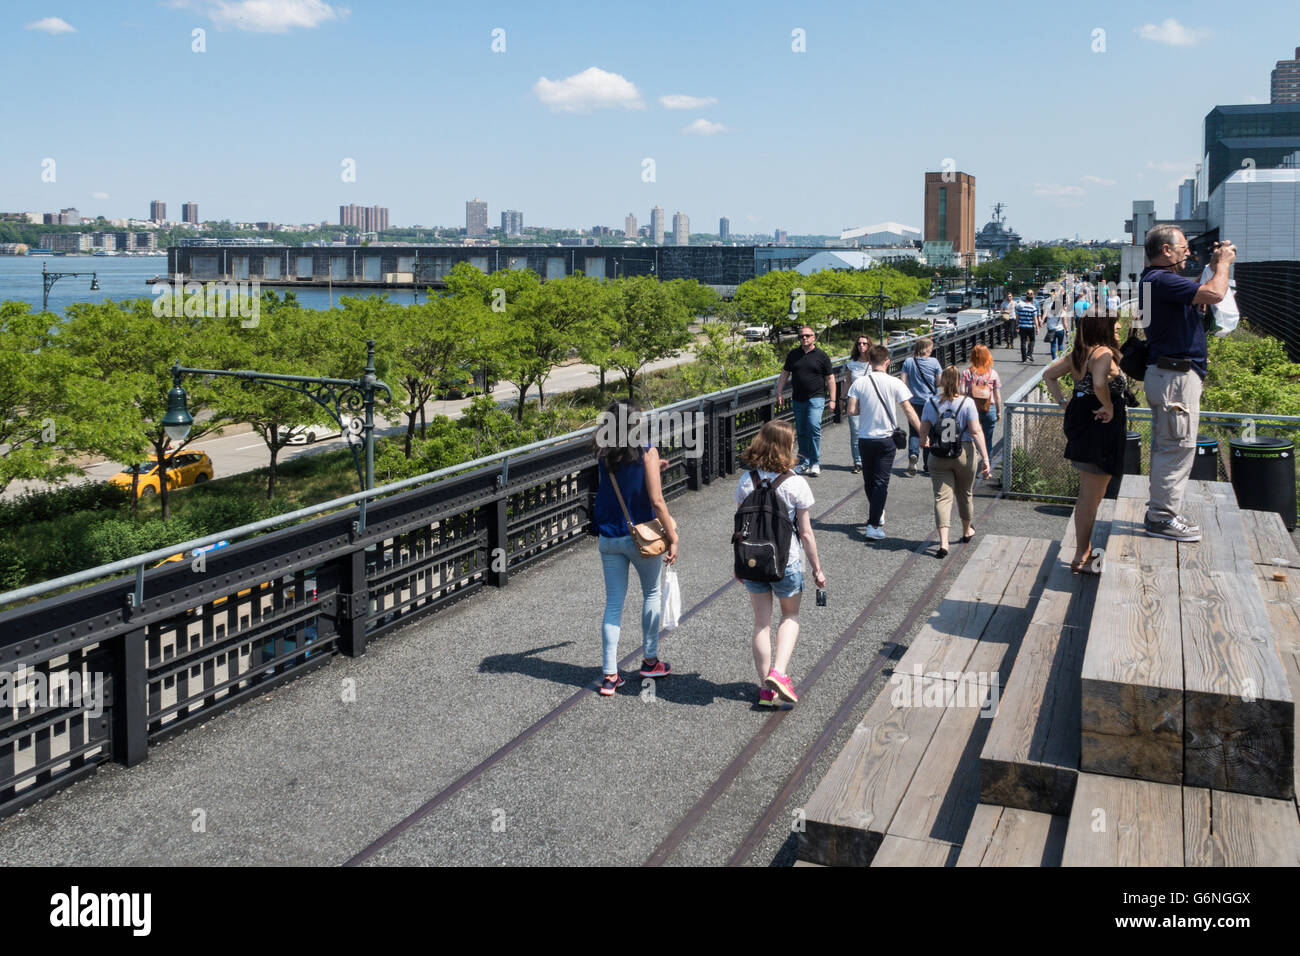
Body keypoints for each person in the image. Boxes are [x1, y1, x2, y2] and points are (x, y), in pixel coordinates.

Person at [1139, 227, 1235, 542]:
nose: (1188, 253)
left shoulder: (1153, 281)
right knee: (1176, 447)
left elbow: (1200, 293)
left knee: (1168, 445)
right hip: (1175, 378)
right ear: (1166, 250)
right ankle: (1162, 518)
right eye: (1184, 248)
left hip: (1168, 376)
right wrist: (1222, 266)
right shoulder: (1160, 280)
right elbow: (1215, 293)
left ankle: (1161, 511)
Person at [734, 420, 826, 707]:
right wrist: (817, 569)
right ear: (787, 446)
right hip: (786, 561)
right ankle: (780, 672)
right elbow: (807, 533)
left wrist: (737, 563)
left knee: (761, 622)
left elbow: (740, 524)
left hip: (751, 559)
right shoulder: (796, 483)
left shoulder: (746, 480)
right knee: (790, 617)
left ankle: (766, 690)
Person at [591, 400, 679, 696]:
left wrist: (655, 467)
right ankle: (650, 660)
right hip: (641, 536)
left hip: (609, 538)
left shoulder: (603, 453)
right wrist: (672, 535)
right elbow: (657, 501)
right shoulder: (646, 451)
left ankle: (609, 676)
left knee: (613, 603)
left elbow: (622, 482)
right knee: (651, 593)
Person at [1043, 314, 1132, 573]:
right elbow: (1099, 382)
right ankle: (1082, 556)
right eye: (1114, 324)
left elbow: (1049, 376)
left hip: (1083, 423)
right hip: (1101, 426)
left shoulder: (1079, 355)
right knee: (1090, 497)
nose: (1119, 327)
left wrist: (1064, 403)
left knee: (1090, 494)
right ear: (1101, 327)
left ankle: (1085, 552)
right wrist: (1107, 406)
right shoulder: (1103, 353)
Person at [845, 344, 921, 541]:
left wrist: (866, 410)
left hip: (865, 438)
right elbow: (909, 411)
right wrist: (923, 434)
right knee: (881, 482)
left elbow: (851, 411)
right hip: (887, 439)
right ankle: (874, 524)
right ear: (888, 362)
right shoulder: (895, 383)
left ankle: (876, 513)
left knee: (869, 481)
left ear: (869, 362)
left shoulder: (859, 383)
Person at [919, 367, 992, 558]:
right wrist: (985, 458)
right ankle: (967, 530)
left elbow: (923, 429)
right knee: (965, 494)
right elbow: (976, 431)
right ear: (959, 381)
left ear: (942, 381)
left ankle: (943, 543)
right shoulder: (967, 403)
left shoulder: (931, 402)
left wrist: (922, 444)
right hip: (964, 453)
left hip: (938, 454)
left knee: (942, 498)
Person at [776, 325, 836, 477]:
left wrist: (833, 400)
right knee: (801, 431)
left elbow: (830, 378)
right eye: (801, 336)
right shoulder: (793, 355)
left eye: (807, 335)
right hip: (798, 399)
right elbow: (784, 374)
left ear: (813, 337)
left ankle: (815, 462)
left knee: (813, 426)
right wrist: (779, 392)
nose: (804, 338)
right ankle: (803, 462)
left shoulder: (822, 356)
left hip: (816, 397)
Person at [900, 337, 941, 476]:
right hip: (930, 402)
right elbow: (939, 382)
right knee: (930, 432)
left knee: (914, 431)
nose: (931, 350)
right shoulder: (934, 362)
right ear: (926, 348)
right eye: (930, 348)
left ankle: (913, 454)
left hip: (913, 402)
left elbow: (903, 381)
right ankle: (928, 465)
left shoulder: (908, 362)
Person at [961, 345, 1003, 481]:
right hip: (988, 409)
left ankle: (969, 467)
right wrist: (998, 411)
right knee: (987, 440)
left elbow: (961, 393)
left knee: (970, 439)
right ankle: (986, 470)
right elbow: (997, 396)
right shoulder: (993, 374)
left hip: (970, 410)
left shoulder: (966, 373)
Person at [844, 335, 873, 474]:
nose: (861, 346)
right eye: (859, 343)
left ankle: (869, 460)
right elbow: (848, 381)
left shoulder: (874, 362)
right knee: (855, 432)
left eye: (864, 343)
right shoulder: (852, 363)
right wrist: (841, 398)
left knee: (870, 431)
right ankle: (858, 462)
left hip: (871, 402)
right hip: (854, 401)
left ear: (869, 345)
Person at [1015, 290, 1042, 362]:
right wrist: (1037, 327)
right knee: (1032, 340)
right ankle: (1029, 353)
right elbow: (1035, 318)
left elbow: (1017, 317)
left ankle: (1024, 358)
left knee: (1023, 341)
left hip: (1022, 326)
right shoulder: (1033, 308)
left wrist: (1017, 325)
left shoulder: (1020, 306)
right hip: (1030, 326)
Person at [1043, 291, 1071, 361]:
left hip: (1051, 329)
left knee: (1053, 345)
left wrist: (1042, 321)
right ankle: (1060, 359)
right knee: (1060, 345)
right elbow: (1065, 323)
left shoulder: (1049, 307)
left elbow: (1046, 315)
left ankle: (1054, 360)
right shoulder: (1062, 311)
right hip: (1060, 330)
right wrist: (1067, 330)